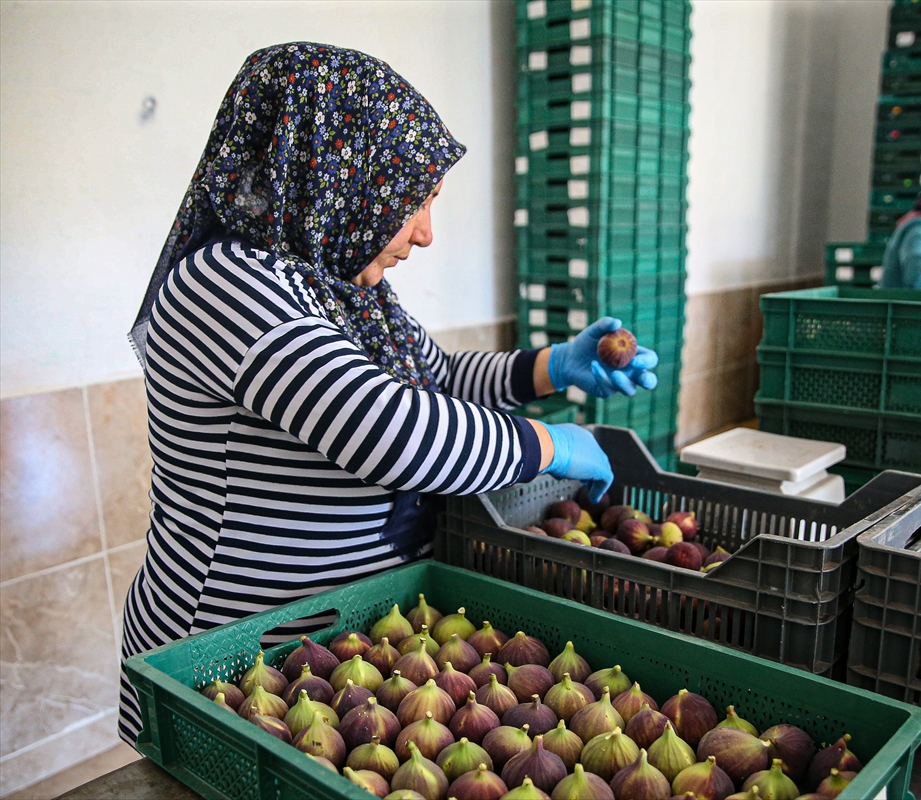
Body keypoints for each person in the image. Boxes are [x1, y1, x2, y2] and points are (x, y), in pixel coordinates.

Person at [117, 42, 657, 745]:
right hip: (233, 654)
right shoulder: (222, 284)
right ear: (339, 175)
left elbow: (437, 382)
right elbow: (392, 431)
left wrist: (553, 367)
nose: (425, 234)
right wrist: (549, 444)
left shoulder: (337, 287)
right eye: (413, 201)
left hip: (340, 651)